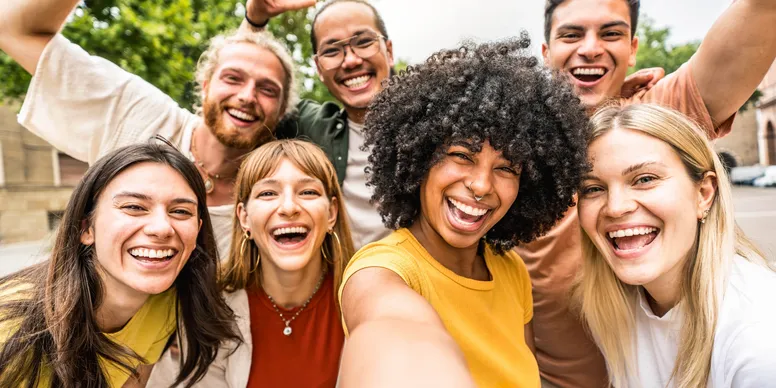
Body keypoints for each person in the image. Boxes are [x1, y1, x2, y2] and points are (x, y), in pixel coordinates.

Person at [242, 0, 657, 250]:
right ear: (317, 66)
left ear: (388, 48)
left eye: (363, 42)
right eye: (333, 50)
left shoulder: (452, 118)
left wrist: (607, 97)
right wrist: (255, 20)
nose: (350, 59)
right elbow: (240, 101)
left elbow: (530, 132)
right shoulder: (308, 127)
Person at [520, 1, 776, 386]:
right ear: (546, 52)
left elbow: (759, 18)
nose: (590, 48)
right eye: (571, 34)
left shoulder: (654, 120)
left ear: (633, 48)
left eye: (610, 33)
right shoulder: (507, 159)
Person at [337, 36, 590, 387]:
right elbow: (393, 336)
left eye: (506, 168)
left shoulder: (511, 269)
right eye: (461, 155)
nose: (482, 185)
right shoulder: (380, 272)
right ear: (419, 159)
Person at [0, 0, 301, 257]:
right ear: (205, 86)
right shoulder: (141, 114)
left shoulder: (277, 200)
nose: (247, 96)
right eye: (232, 78)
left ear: (282, 109)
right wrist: (253, 20)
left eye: (267, 90)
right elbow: (15, 30)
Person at [0, 141, 239, 387]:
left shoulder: (167, 301)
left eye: (180, 212)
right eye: (134, 207)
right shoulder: (10, 329)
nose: (162, 228)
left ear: (198, 231)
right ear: (86, 227)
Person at [576, 103, 776, 387]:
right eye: (593, 188)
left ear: (704, 194)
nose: (616, 207)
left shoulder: (760, 336)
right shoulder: (614, 307)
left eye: (645, 179)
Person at [148, 139, 355, 387]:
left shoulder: (363, 300)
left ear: (331, 213)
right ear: (244, 217)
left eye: (308, 192)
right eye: (268, 193)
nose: (289, 207)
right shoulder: (210, 309)